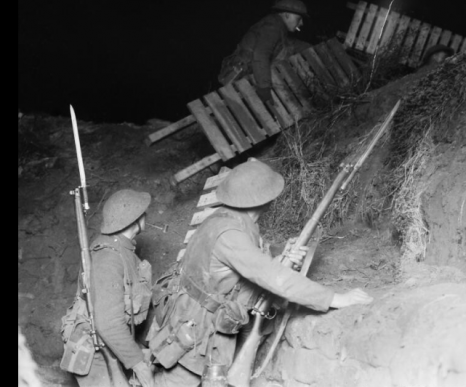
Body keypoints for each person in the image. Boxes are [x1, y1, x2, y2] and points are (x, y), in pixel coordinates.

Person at [149, 158, 373, 387]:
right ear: (265, 199)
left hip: (202, 321)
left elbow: (239, 269)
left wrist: (279, 258)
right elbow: (277, 280)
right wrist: (335, 298)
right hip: (197, 333)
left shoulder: (230, 220)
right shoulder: (230, 233)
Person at [60, 189, 154, 387]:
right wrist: (139, 364)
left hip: (111, 342)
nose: (146, 215)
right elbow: (109, 324)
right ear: (134, 220)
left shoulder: (123, 248)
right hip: (94, 351)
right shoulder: (108, 258)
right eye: (142, 213)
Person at [218, 0, 309, 108]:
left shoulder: (278, 27)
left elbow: (292, 44)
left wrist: (318, 46)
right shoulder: (273, 26)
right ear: (286, 15)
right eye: (298, 18)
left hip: (250, 78)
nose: (301, 23)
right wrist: (264, 87)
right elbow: (261, 54)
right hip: (242, 79)